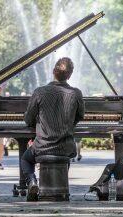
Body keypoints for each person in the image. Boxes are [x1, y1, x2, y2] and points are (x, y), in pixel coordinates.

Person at [21, 57, 84, 199]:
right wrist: (67, 125)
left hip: (42, 146)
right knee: (65, 157)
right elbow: (80, 116)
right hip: (66, 146)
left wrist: (38, 123)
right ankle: (59, 188)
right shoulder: (76, 93)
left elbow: (28, 119)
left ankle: (31, 182)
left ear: (53, 71)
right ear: (69, 75)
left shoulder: (39, 92)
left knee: (25, 159)